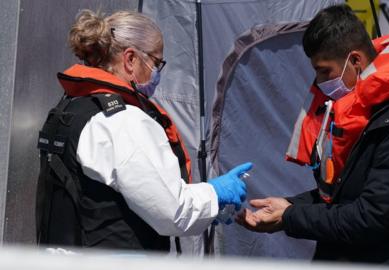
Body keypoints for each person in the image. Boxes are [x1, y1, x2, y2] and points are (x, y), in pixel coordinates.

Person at [236, 5, 389, 267]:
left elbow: (371, 217)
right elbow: (340, 196)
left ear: (356, 61)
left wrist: (289, 216)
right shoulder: (359, 115)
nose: (318, 82)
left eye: (324, 71)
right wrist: (287, 205)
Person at [36, 9, 252, 251]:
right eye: (157, 63)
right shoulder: (123, 122)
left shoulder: (72, 107)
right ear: (130, 59)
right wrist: (215, 193)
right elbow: (173, 211)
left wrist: (208, 207)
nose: (158, 73)